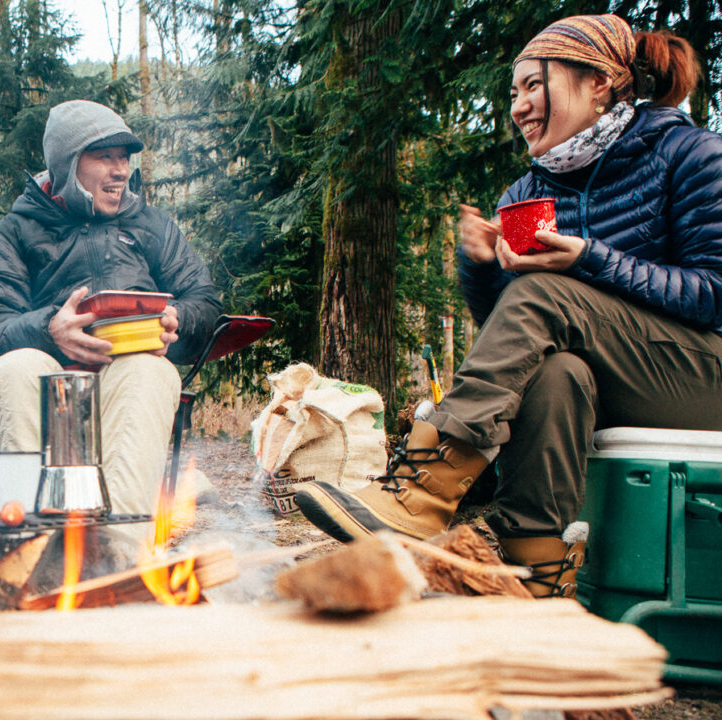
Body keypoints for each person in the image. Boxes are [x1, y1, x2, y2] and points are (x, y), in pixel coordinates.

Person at [294, 14, 722, 597]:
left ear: (599, 85)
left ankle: (425, 487)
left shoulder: (690, 154)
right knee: (555, 371)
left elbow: (713, 293)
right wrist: (480, 262)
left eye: (534, 86)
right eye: (512, 93)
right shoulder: (528, 191)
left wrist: (588, 260)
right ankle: (538, 571)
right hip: (610, 378)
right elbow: (509, 328)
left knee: (549, 292)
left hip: (699, 376)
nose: (519, 106)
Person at [0, 99, 222, 522]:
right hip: (46, 372)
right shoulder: (14, 232)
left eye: (123, 158)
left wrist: (180, 317)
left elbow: (205, 303)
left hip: (130, 370)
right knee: (13, 369)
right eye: (104, 157)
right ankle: (31, 548)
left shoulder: (152, 225)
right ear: (67, 165)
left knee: (149, 372)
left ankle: (117, 556)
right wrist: (50, 328)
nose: (120, 170)